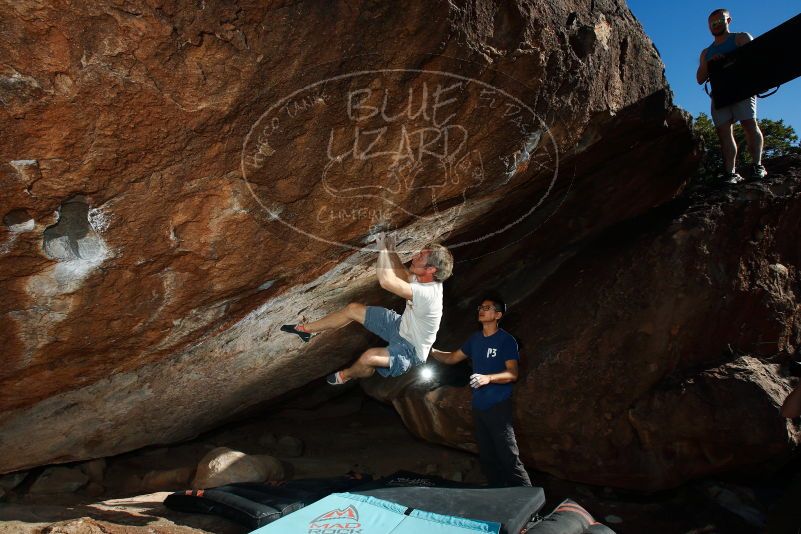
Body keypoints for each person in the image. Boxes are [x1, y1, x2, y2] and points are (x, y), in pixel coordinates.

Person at [281, 234, 453, 385]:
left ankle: (347, 375)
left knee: (369, 358)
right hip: (400, 326)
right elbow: (403, 277)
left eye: (420, 257)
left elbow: (386, 282)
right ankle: (306, 330)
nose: (415, 257)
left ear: (431, 269)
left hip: (411, 350)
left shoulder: (429, 294)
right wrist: (392, 251)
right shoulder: (424, 278)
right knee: (353, 309)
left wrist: (383, 249)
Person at [429, 295, 532, 487]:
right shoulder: (475, 339)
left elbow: (512, 373)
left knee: (509, 457)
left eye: (487, 307)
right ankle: (497, 497)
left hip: (498, 406)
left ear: (498, 315)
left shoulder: (506, 341)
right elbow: (452, 358)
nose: (482, 310)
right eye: (480, 307)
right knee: (487, 458)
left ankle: (532, 504)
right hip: (479, 407)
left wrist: (489, 378)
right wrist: (431, 350)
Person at [696, 8, 767, 184]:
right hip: (720, 94)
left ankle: (757, 165)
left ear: (728, 21)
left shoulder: (740, 38)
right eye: (713, 23)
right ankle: (730, 173)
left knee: (749, 124)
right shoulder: (707, 52)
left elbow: (755, 57)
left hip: (742, 88)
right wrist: (710, 63)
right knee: (724, 132)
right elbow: (700, 78)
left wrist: (729, 58)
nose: (716, 25)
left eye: (720, 21)